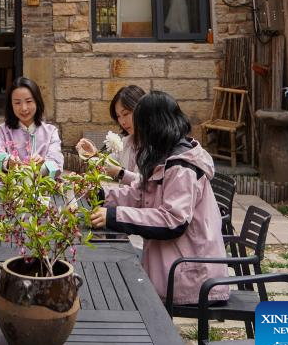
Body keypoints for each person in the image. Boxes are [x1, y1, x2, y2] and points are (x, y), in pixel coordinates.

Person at [91, 90, 229, 305]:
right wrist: (100, 195)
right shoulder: (165, 156)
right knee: (113, 282)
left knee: (113, 289)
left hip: (191, 276)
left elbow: (172, 221)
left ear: (154, 126)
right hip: (171, 266)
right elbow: (140, 195)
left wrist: (114, 216)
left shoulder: (181, 166)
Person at [0, 76, 63, 177]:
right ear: (11, 105)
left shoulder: (51, 132)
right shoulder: (3, 130)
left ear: (37, 101)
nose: (24, 108)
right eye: (17, 103)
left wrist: (42, 166)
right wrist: (8, 161)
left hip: (42, 186)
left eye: (29, 101)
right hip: (11, 186)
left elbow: (57, 162)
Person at [76, 84, 145, 182]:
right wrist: (93, 154)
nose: (122, 122)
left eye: (125, 114)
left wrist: (121, 173)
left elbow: (151, 184)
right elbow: (108, 165)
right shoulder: (126, 142)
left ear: (141, 109)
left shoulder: (156, 145)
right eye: (118, 116)